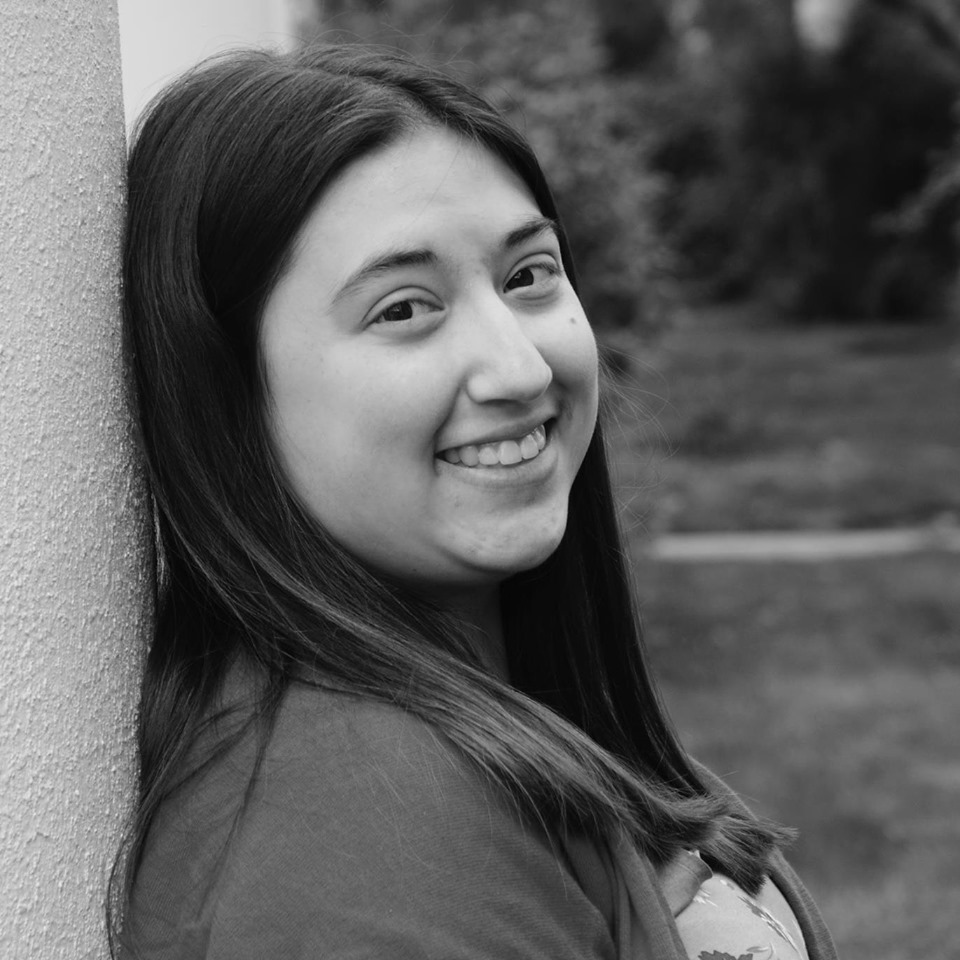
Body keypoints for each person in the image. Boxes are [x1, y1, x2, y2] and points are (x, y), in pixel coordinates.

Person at [112, 44, 837, 960]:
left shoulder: (487, 713)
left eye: (528, 275)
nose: (521, 367)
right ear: (227, 396)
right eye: (404, 308)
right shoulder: (351, 855)